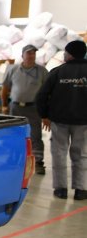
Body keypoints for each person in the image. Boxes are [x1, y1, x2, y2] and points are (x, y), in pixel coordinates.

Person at [36, 40, 87, 201]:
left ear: (70, 54)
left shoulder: (58, 71)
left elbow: (41, 95)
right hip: (83, 122)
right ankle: (81, 189)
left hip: (59, 121)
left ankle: (61, 189)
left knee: (59, 153)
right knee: (82, 155)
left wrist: (44, 115)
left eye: (65, 52)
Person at [1, 44, 49, 175]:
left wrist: (46, 112)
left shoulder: (42, 71)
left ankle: (38, 162)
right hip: (15, 107)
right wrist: (4, 105)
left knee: (35, 135)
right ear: (22, 55)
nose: (31, 56)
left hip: (33, 108)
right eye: (28, 53)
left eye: (33, 53)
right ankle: (13, 159)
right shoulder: (13, 69)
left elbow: (47, 91)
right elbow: (5, 88)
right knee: (14, 133)